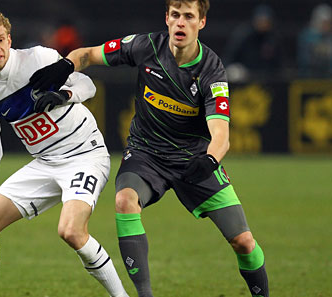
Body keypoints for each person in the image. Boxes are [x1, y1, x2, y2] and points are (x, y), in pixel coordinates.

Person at [29, 0, 269, 296]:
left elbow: (221, 135)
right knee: (124, 201)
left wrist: (209, 161)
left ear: (201, 22)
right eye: (176, 15)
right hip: (146, 155)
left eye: (189, 16)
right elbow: (88, 54)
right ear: (167, 19)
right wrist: (66, 65)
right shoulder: (145, 46)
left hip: (194, 160)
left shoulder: (212, 70)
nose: (181, 22)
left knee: (244, 242)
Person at [0, 7, 129, 297]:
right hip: (45, 163)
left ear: (10, 40)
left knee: (71, 231)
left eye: (1, 39)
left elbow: (87, 85)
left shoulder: (39, 58)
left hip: (85, 156)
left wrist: (64, 95)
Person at [222, 4, 283, 82]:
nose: (263, 24)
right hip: (244, 74)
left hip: (266, 77)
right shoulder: (244, 35)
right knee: (235, 72)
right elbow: (229, 57)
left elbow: (279, 63)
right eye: (261, 20)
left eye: (266, 21)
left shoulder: (273, 38)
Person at [297, 3, 332, 78]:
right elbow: (305, 60)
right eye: (325, 22)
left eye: (330, 22)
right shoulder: (307, 36)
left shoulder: (329, 37)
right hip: (310, 78)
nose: (328, 26)